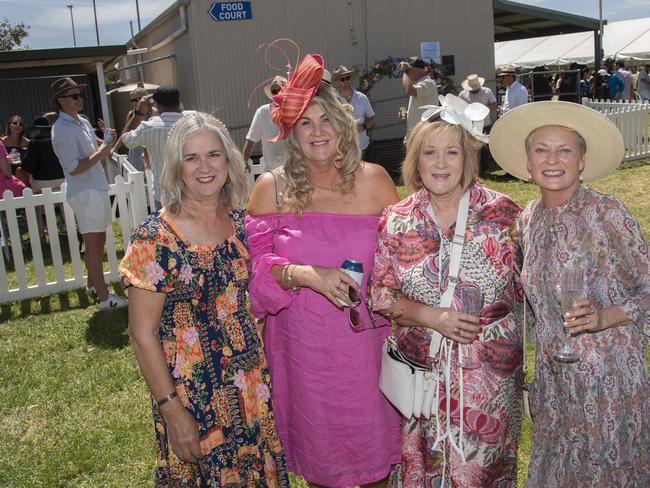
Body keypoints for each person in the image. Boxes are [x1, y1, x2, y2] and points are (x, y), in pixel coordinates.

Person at [245, 53, 401, 487]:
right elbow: (255, 272)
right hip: (305, 353)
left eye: (326, 119)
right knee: (323, 469)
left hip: (367, 350)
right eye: (306, 123)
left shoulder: (375, 182)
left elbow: (406, 260)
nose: (318, 132)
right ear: (290, 133)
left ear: (344, 123)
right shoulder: (270, 188)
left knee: (374, 468)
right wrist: (304, 273)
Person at [119, 111, 289, 487]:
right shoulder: (155, 238)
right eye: (191, 157)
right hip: (192, 395)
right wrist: (172, 410)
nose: (204, 167)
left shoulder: (243, 226)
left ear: (229, 160)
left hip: (250, 388)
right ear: (176, 166)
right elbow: (141, 333)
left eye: (213, 154)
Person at [489, 100, 650, 487]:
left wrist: (604, 316)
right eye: (541, 149)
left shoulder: (606, 213)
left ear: (581, 160)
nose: (552, 159)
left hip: (608, 383)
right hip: (554, 385)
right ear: (527, 163)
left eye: (565, 149)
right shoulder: (528, 219)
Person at [371, 94, 524, 487]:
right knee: (425, 472)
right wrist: (431, 317)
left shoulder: (503, 214)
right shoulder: (397, 219)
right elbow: (381, 295)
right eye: (430, 153)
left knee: (482, 474)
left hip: (488, 382)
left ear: (467, 158)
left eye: (451, 152)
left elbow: (533, 287)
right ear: (416, 162)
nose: (440, 163)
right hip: (423, 379)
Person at [50, 77, 127, 310]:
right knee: (94, 246)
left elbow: (100, 148)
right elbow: (74, 168)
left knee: (97, 242)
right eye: (74, 96)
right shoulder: (61, 129)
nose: (79, 98)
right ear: (61, 101)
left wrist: (106, 140)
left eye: (80, 94)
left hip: (94, 188)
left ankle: (93, 285)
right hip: (85, 192)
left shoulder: (81, 121)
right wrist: (103, 150)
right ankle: (105, 300)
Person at [123, 87, 184, 208]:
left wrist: (139, 113)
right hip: (193, 192)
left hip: (163, 194)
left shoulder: (148, 127)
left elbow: (126, 139)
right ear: (178, 103)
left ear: (157, 104)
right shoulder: (194, 121)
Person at [332, 65, 381, 163]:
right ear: (336, 82)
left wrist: (363, 126)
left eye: (348, 78)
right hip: (343, 150)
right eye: (342, 79)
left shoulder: (362, 97)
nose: (346, 81)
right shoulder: (332, 100)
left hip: (364, 146)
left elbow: (372, 118)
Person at [242, 75, 287, 171]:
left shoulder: (297, 110)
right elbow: (252, 139)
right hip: (272, 172)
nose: (278, 93)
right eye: (274, 91)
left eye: (281, 90)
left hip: (294, 170)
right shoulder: (263, 112)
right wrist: (244, 160)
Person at [458, 73, 497, 174]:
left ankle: (484, 169)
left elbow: (493, 104)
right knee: (471, 147)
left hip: (484, 123)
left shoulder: (487, 91)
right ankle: (473, 168)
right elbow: (459, 108)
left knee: (483, 147)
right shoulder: (463, 94)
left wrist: (482, 110)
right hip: (470, 125)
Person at [113, 85, 156, 171]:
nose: (134, 103)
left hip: (153, 151)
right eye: (132, 100)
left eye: (137, 99)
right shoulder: (132, 114)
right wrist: (115, 148)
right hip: (136, 151)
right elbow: (125, 133)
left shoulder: (156, 112)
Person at [399, 57, 439, 143]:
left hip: (423, 138)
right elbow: (421, 109)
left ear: (417, 69)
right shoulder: (421, 83)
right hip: (417, 137)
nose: (409, 72)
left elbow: (409, 90)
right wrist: (408, 114)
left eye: (410, 69)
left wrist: (405, 71)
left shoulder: (427, 83)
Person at [22, 115, 65, 194]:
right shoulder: (59, 140)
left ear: (37, 130)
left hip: (43, 183)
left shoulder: (34, 143)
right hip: (63, 180)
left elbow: (28, 167)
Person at [2, 114, 30, 185]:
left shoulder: (27, 142)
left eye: (20, 124)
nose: (18, 125)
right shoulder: (3, 142)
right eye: (15, 123)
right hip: (7, 172)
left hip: (23, 172)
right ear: (9, 126)